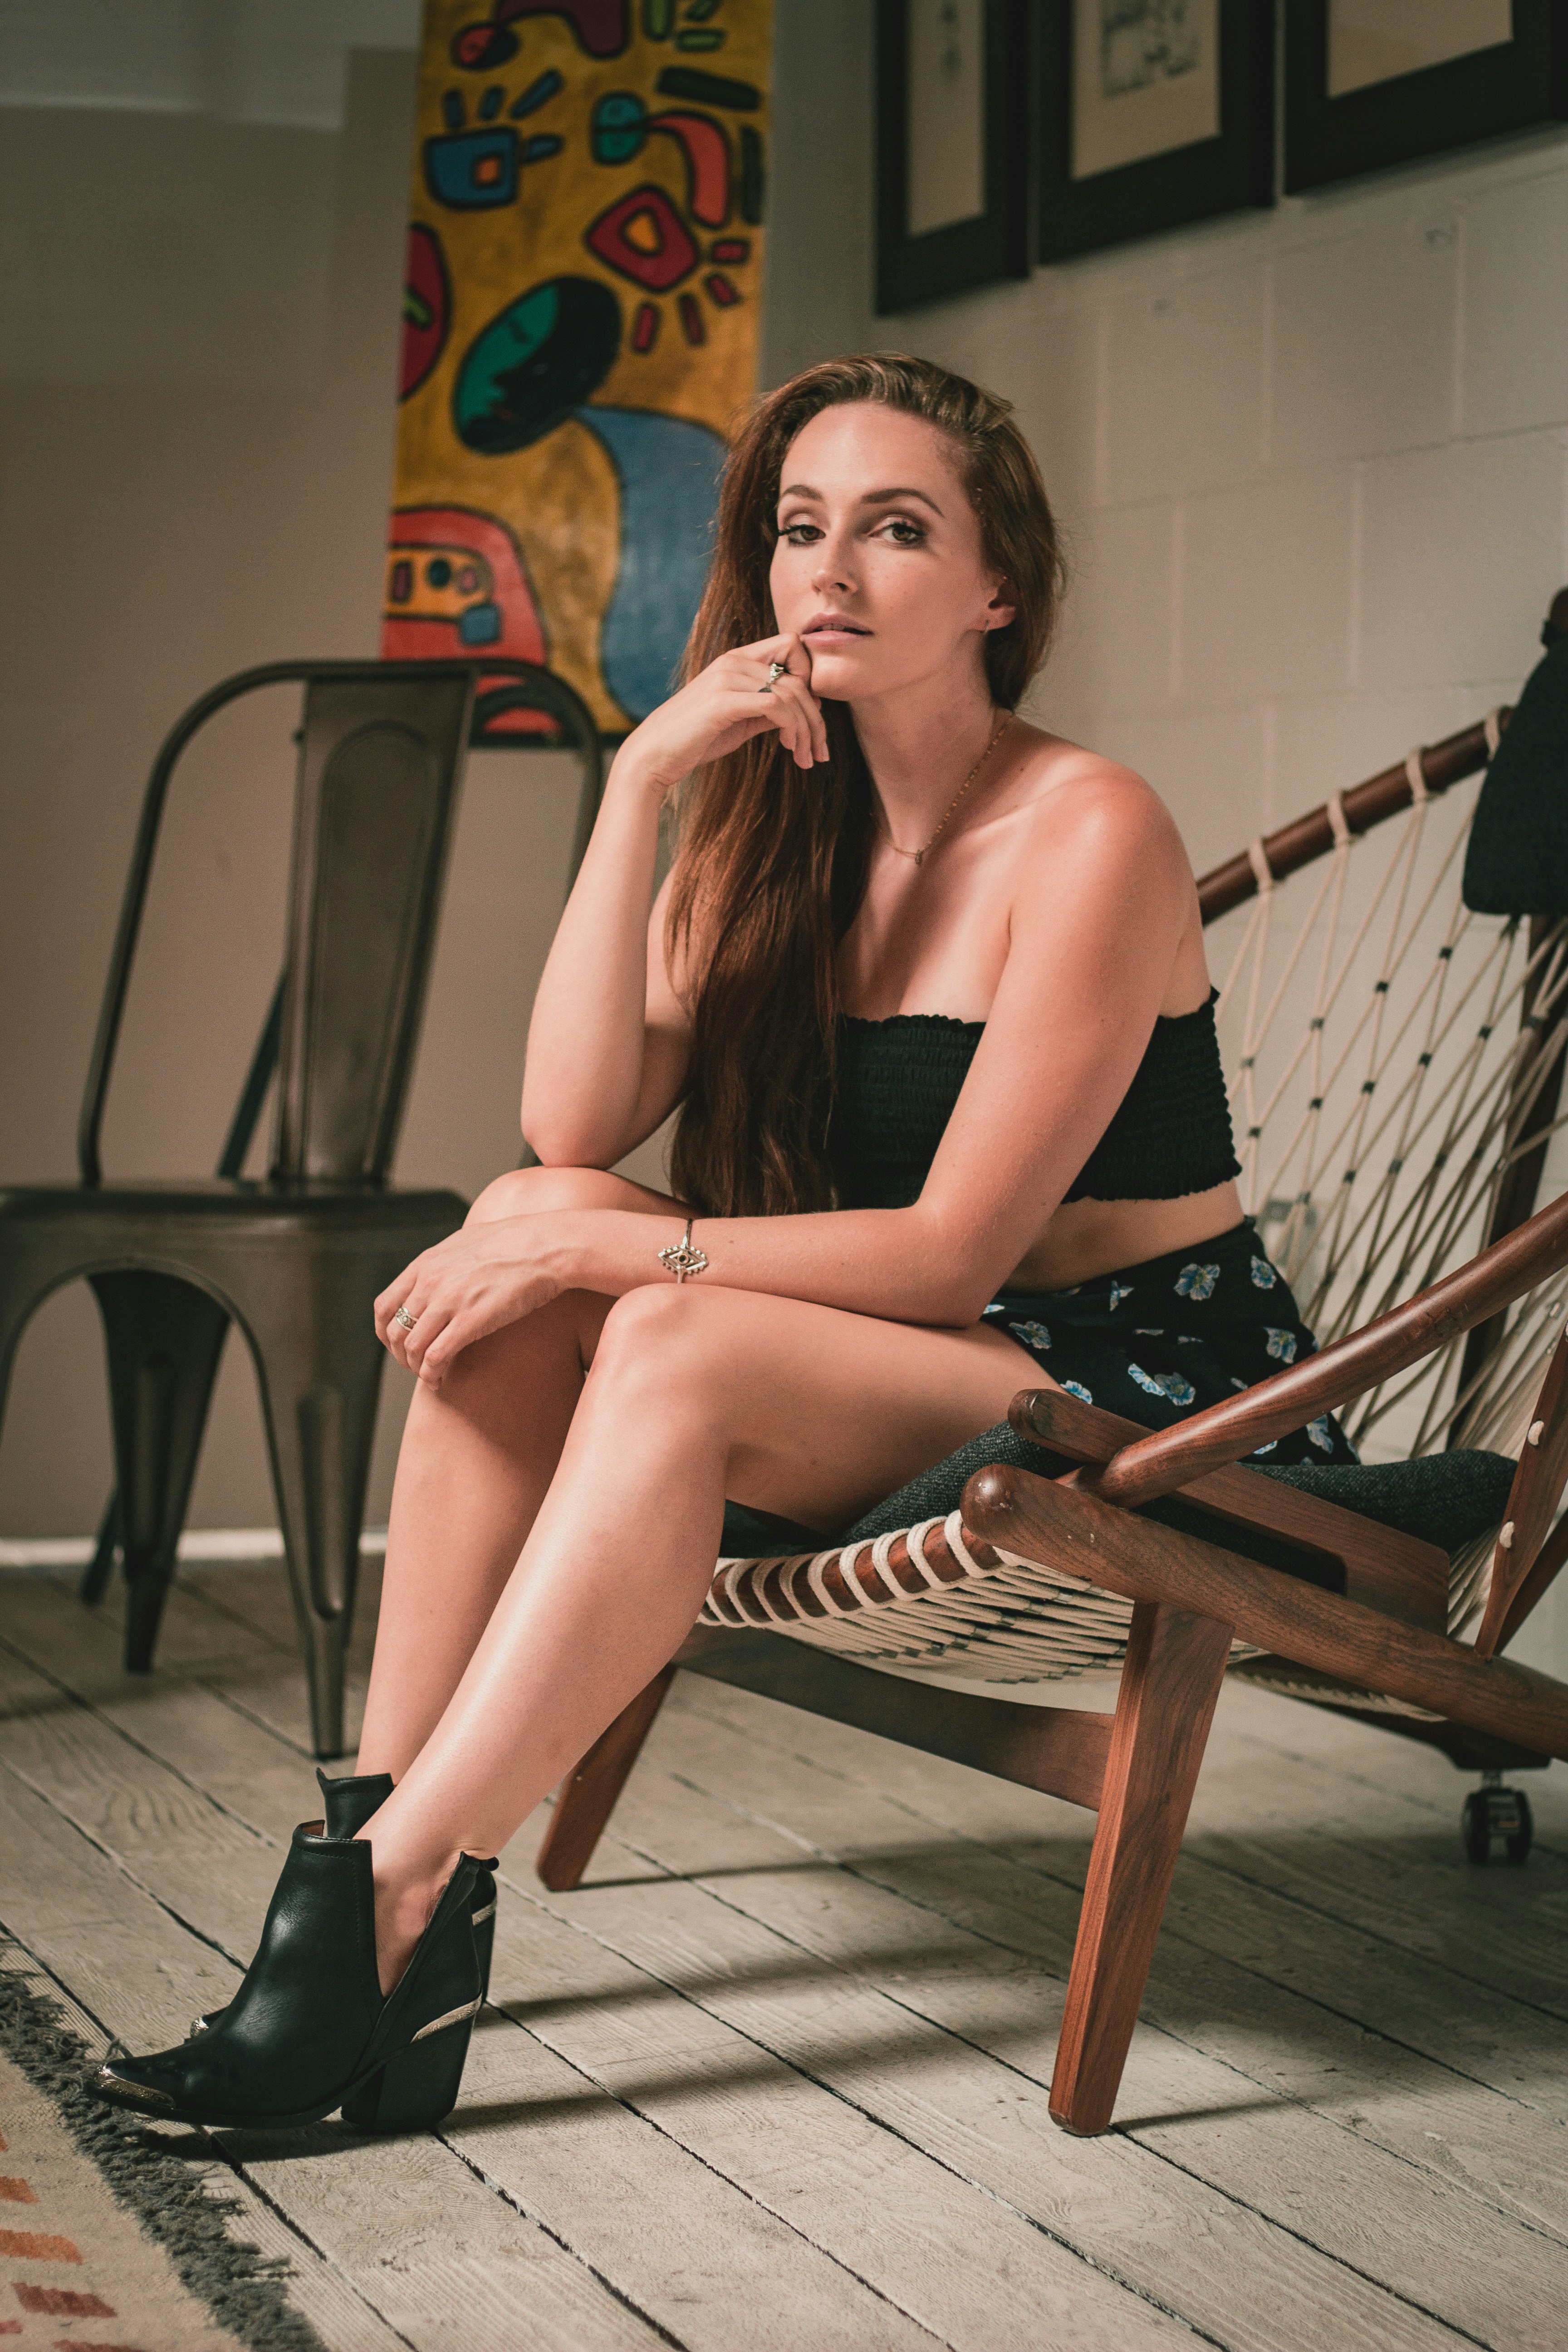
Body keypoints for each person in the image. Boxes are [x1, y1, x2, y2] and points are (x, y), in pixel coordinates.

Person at [90, 353, 1352, 2135]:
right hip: (922, 1362)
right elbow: (567, 1131)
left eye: (898, 529)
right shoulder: (774, 822)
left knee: (623, 1298)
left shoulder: (1089, 830)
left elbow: (941, 1255)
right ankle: (382, 1860)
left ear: (1000, 590)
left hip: (1138, 1397)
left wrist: (618, 1270)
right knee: (529, 1225)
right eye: (800, 527)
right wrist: (639, 789)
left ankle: (375, 1917)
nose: (832, 571)